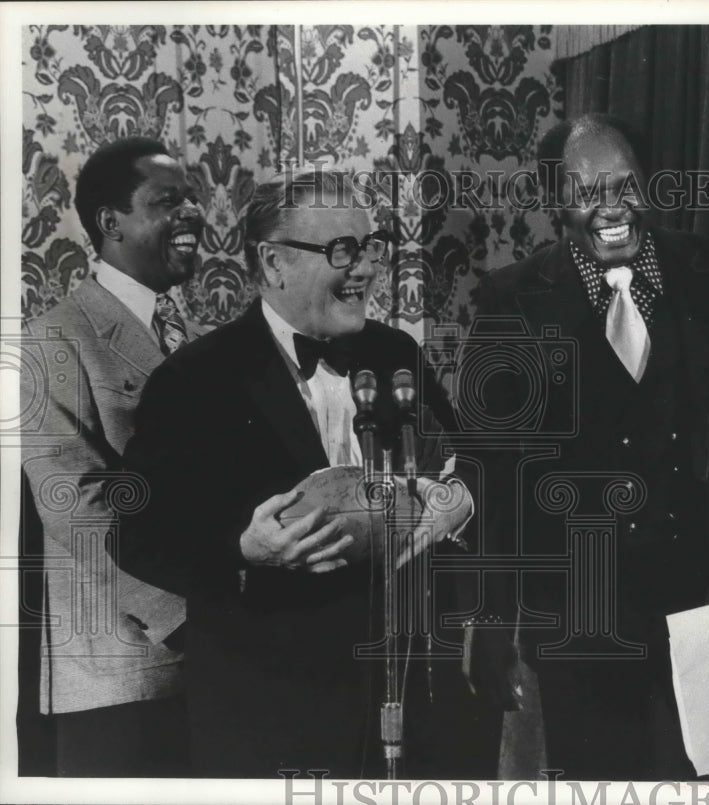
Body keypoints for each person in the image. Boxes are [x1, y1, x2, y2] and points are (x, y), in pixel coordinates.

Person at [115, 168, 482, 778]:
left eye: (370, 246)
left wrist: (459, 499)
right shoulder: (194, 380)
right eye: (342, 250)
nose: (364, 268)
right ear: (273, 263)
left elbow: (465, 462)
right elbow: (134, 534)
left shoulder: (397, 354)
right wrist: (242, 550)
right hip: (270, 713)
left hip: (409, 693)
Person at [462, 113, 709, 780]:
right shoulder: (511, 301)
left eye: (625, 184)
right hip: (581, 623)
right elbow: (491, 475)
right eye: (587, 191)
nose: (612, 207)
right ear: (556, 204)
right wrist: (491, 618)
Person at [19, 137, 205, 776]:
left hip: (214, 662)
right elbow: (76, 505)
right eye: (167, 201)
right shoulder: (54, 339)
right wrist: (184, 622)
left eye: (192, 198)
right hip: (120, 670)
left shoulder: (198, 337)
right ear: (111, 222)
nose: (192, 213)